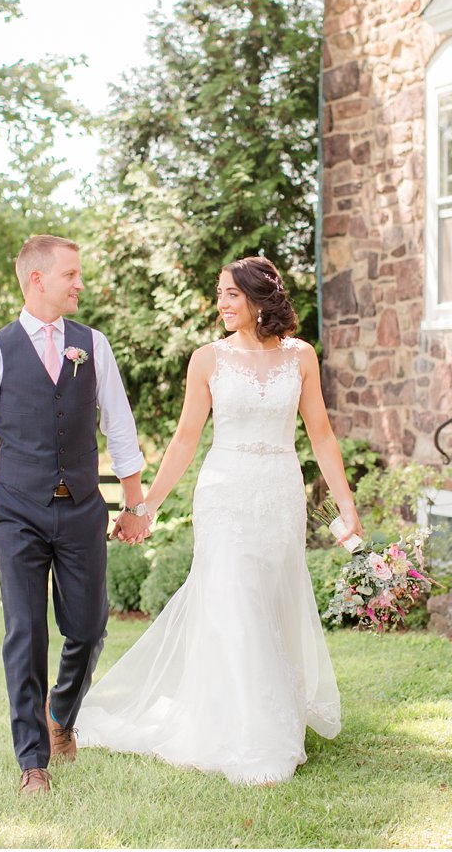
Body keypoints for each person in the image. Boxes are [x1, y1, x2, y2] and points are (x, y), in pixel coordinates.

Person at [74, 255, 364, 785]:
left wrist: (344, 503)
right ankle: (245, 731)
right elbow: (186, 438)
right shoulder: (207, 360)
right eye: (219, 294)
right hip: (224, 493)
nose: (222, 304)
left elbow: (320, 434)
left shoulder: (301, 357)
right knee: (232, 598)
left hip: (279, 491)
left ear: (259, 299)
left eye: (231, 294)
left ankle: (274, 714)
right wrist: (146, 505)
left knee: (272, 598)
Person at [0, 234, 155, 797]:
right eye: (71, 274)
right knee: (26, 630)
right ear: (37, 279)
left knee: (88, 628)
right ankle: (32, 760)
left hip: (83, 507)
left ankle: (61, 712)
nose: (80, 284)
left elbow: (121, 428)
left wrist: (134, 505)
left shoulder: (94, 346)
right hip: (17, 511)